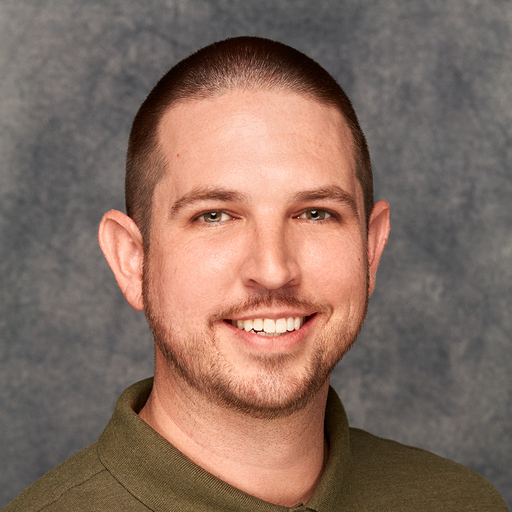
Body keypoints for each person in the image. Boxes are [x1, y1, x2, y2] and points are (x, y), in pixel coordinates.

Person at [4, 36, 507, 512]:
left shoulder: (462, 502)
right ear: (132, 259)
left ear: (370, 249)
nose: (273, 271)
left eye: (315, 213)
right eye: (214, 216)